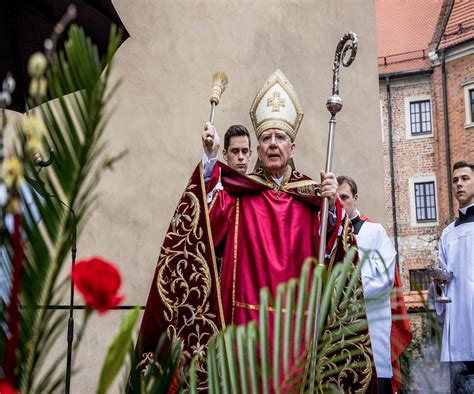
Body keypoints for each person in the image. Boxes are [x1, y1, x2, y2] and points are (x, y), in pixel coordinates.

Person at [137, 70, 373, 391]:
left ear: (293, 146)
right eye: (266, 138)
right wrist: (209, 159)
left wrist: (332, 209)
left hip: (297, 330)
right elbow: (204, 224)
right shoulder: (239, 193)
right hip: (243, 331)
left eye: (280, 138)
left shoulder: (312, 197)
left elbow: (334, 251)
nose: (273, 144)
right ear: (258, 147)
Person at [337, 175, 411, 394]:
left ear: (355, 198)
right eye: (336, 198)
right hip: (342, 331)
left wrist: (348, 287)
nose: (340, 203)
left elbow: (384, 279)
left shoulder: (375, 232)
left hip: (372, 324)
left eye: (345, 197)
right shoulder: (332, 235)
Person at [435, 160, 474, 393]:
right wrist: (438, 283)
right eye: (455, 180)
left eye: (465, 178)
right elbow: (442, 284)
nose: (459, 184)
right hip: (458, 328)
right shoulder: (448, 233)